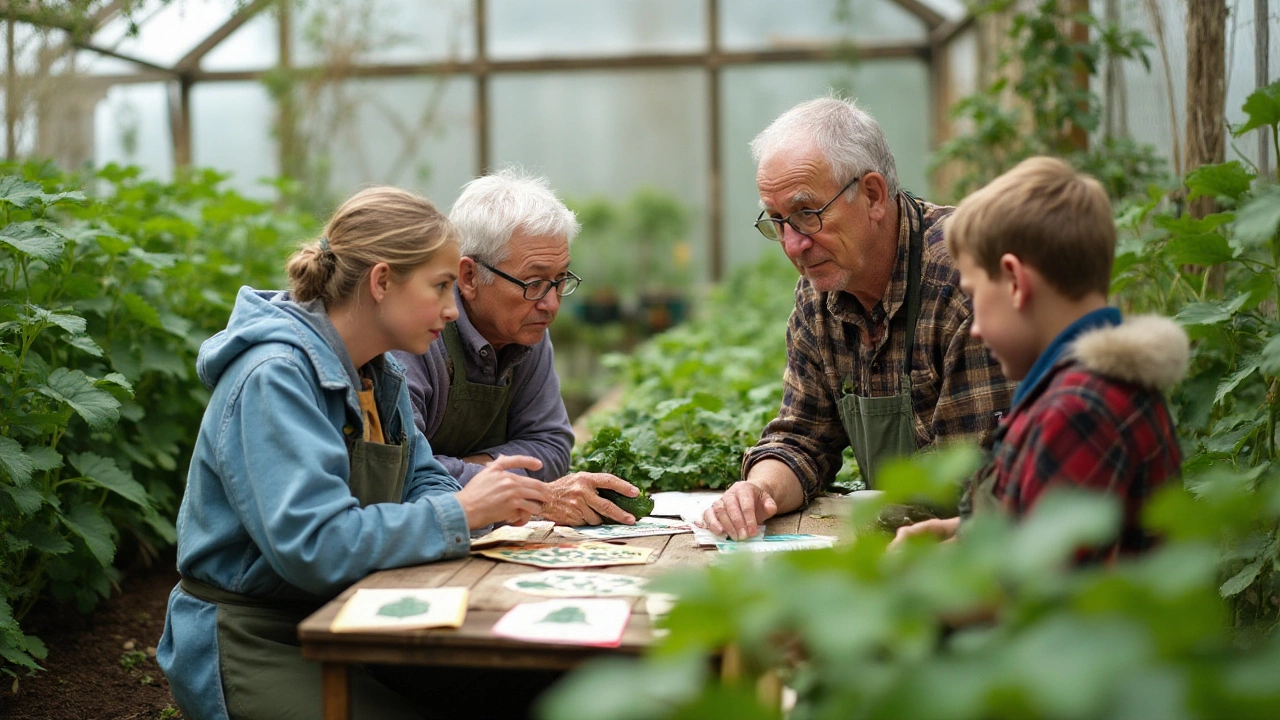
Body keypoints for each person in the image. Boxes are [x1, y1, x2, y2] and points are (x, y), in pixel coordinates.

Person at [157, 187, 550, 720]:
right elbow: (316, 544)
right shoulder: (275, 377)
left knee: (530, 686)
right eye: (439, 286)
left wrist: (463, 503)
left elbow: (424, 478)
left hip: (355, 614)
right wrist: (463, 511)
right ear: (382, 281)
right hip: (257, 635)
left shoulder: (377, 372)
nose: (452, 310)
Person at [704, 96, 1014, 540]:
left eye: (807, 214)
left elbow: (980, 482)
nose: (793, 245)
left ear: (872, 195)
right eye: (778, 220)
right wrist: (757, 491)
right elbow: (804, 436)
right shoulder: (821, 296)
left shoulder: (964, 278)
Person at [892, 156, 1187, 560]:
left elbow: (1038, 588)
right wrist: (964, 529)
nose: (974, 327)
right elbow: (1039, 517)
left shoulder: (1078, 413)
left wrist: (921, 575)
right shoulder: (1083, 391)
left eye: (975, 297)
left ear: (1015, 283)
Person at [393, 167, 641, 527]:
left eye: (560, 280)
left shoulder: (526, 327)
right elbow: (406, 471)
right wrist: (502, 479)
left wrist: (468, 469)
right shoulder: (416, 334)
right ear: (469, 276)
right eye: (535, 281)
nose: (551, 304)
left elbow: (552, 446)